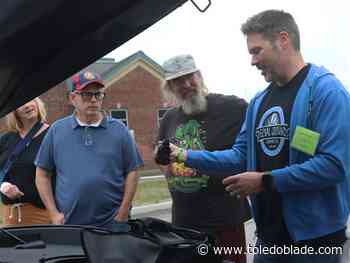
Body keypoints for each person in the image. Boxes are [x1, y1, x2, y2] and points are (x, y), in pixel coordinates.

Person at [169, 10, 350, 263]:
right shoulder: (259, 102)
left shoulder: (326, 92)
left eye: (256, 51)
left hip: (314, 243)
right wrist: (183, 155)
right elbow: (240, 155)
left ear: (283, 40)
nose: (252, 61)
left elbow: (334, 165)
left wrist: (265, 181)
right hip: (268, 240)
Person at [155, 54, 251, 263]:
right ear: (170, 87)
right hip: (184, 222)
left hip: (225, 220)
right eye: (178, 81)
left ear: (199, 76)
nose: (186, 84)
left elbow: (251, 146)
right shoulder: (169, 118)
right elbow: (162, 157)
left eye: (190, 77)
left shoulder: (233, 107)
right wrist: (170, 172)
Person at [35, 70, 143, 230]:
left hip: (112, 224)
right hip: (69, 224)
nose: (93, 100)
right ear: (73, 98)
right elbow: (42, 174)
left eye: (98, 95)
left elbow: (132, 171)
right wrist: (53, 213)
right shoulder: (57, 130)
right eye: (86, 94)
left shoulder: (119, 130)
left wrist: (123, 211)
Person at [0, 98, 51, 226]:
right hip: (11, 216)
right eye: (21, 104)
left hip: (44, 214)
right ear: (14, 111)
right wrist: (4, 186)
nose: (27, 106)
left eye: (31, 100)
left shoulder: (52, 134)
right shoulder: (6, 139)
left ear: (38, 103)